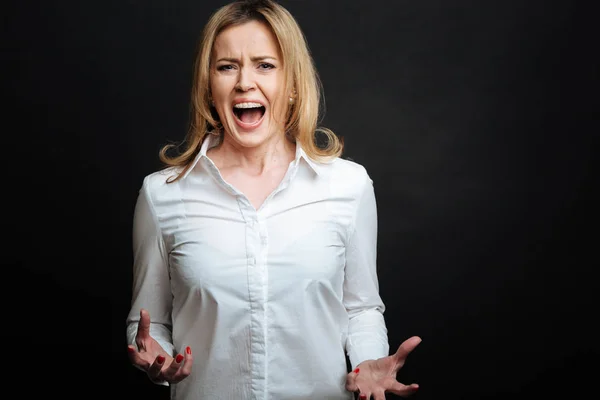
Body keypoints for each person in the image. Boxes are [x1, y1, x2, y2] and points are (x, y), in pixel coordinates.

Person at [125, 0, 421, 398]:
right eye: (227, 66)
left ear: (293, 84)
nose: (245, 81)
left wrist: (368, 362)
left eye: (265, 65)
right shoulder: (162, 195)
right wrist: (158, 362)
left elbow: (361, 307)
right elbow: (149, 322)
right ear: (209, 86)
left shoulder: (348, 187)